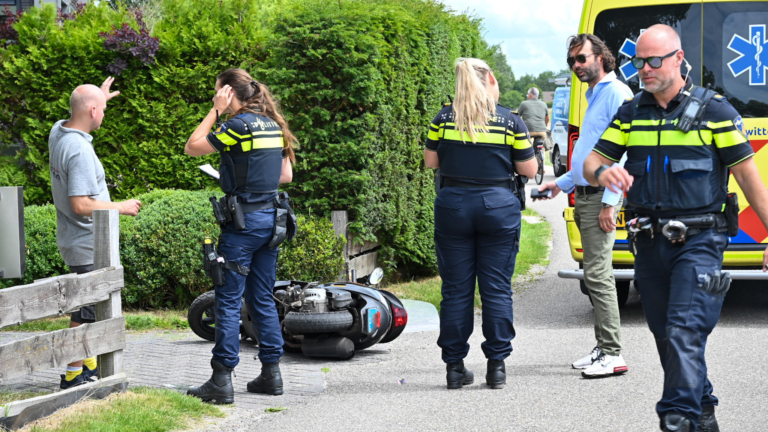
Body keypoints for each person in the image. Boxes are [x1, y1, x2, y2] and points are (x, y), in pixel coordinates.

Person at [585, 24, 768, 432]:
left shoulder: (716, 112)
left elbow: (748, 177)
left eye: (654, 60)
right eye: (639, 62)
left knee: (684, 329)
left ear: (678, 58)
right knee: (666, 335)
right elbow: (592, 161)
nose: (645, 69)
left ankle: (679, 418)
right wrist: (603, 173)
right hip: (649, 243)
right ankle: (703, 411)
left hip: (701, 240)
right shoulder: (631, 112)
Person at [424, 58, 537, 390]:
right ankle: (496, 367)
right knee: (496, 288)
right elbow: (529, 170)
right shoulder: (510, 121)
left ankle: (454, 368)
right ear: (490, 80)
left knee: (455, 290)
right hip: (498, 207)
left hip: (453, 205)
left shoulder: (443, 118)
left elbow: (431, 161)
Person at [185, 68, 295, 404]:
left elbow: (193, 147)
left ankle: (221, 380)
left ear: (228, 92)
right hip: (271, 222)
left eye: (217, 91)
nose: (214, 96)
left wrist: (215, 111)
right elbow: (286, 176)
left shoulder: (237, 125)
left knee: (229, 299)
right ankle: (271, 374)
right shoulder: (273, 125)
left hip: (243, 224)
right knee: (261, 298)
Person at [536, 34, 633, 378]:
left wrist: (610, 202)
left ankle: (612, 353)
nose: (576, 65)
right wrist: (561, 183)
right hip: (586, 194)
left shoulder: (617, 93)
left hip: (600, 198)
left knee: (599, 275)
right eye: (572, 61)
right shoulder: (596, 94)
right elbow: (591, 154)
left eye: (582, 58)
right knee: (595, 275)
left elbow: (624, 152)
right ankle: (603, 347)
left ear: (601, 58)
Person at [48, 78, 142, 389]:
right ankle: (73, 375)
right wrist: (121, 207)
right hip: (87, 243)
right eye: (101, 110)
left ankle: (88, 365)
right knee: (85, 312)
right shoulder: (78, 150)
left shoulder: (58, 131)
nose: (103, 114)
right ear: (91, 111)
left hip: (74, 240)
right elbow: (80, 204)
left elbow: (78, 111)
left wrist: (97, 98)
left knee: (88, 308)